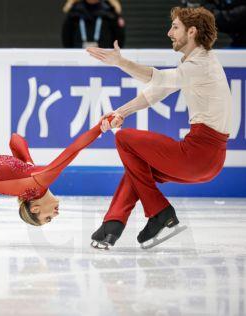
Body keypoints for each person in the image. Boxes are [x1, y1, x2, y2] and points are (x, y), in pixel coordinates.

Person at [86, 6, 231, 249]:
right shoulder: (195, 63)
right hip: (209, 160)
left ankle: (160, 210)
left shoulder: (202, 65)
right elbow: (156, 92)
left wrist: (120, 62)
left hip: (198, 154)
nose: (169, 32)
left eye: (175, 27)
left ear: (192, 31)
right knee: (138, 169)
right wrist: (120, 112)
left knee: (125, 139)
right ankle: (112, 225)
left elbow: (159, 79)